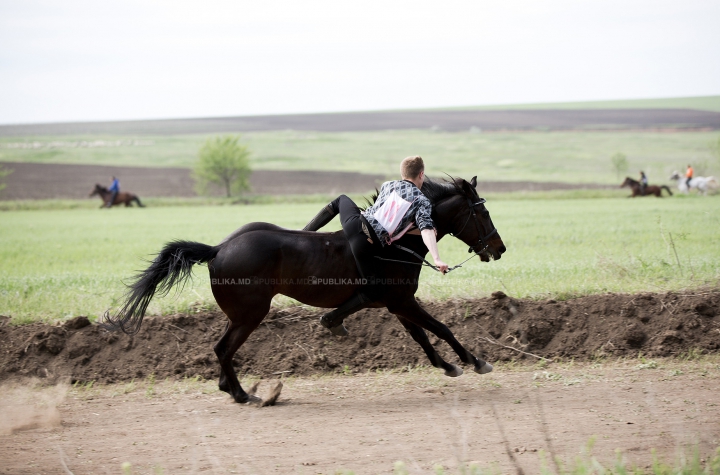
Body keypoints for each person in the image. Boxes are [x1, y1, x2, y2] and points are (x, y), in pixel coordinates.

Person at [302, 155, 448, 335]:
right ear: (421, 175)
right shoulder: (421, 200)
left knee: (341, 200)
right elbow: (425, 230)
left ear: (403, 174)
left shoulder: (388, 185)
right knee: (375, 290)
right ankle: (332, 319)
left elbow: (383, 216)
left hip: (354, 223)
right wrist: (437, 258)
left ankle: (303, 233)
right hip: (365, 241)